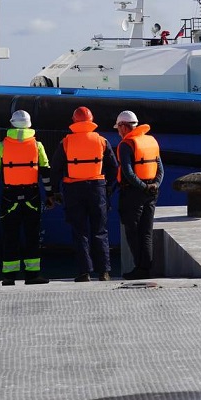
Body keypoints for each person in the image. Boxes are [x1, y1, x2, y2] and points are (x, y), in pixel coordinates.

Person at [50, 106, 118, 282]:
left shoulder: (66, 142)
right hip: (97, 188)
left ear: (74, 121)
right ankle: (104, 272)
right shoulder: (102, 141)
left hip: (73, 189)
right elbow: (113, 167)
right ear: (91, 120)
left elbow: (56, 169)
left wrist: (55, 191)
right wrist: (109, 186)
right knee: (100, 231)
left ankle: (84, 272)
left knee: (80, 232)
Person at [0, 110, 53, 286]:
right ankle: (33, 276)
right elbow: (45, 172)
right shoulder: (37, 145)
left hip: (9, 197)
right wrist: (50, 194)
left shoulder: (2, 146)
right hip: (32, 196)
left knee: (10, 236)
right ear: (29, 125)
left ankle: (9, 277)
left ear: (12, 124)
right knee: (32, 235)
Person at [114, 110, 164, 280]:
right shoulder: (151, 141)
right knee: (146, 231)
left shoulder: (126, 145)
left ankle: (140, 268)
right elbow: (160, 169)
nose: (118, 132)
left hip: (134, 193)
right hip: (152, 192)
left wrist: (142, 187)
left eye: (119, 128)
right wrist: (154, 185)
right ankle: (146, 267)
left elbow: (128, 172)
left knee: (132, 231)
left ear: (123, 126)